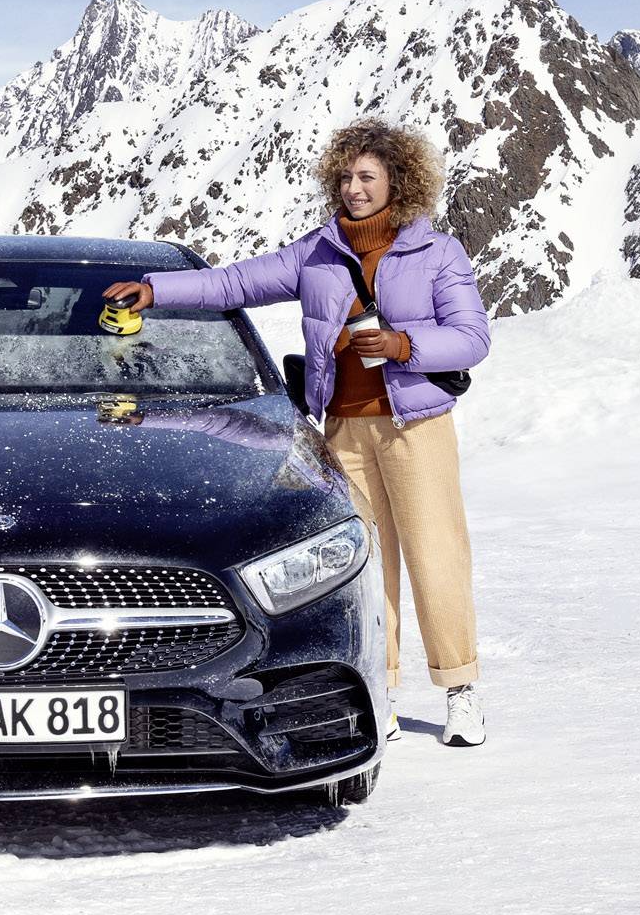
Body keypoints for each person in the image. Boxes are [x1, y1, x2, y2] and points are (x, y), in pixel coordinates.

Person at [105, 117, 493, 746]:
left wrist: (402, 344)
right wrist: (155, 288)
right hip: (341, 431)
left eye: (367, 176)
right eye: (345, 176)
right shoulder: (318, 252)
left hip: (415, 427)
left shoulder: (437, 253)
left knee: (435, 556)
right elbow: (235, 282)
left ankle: (461, 690)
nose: (354, 188)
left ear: (399, 180)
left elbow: (472, 338)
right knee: (363, 566)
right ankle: (381, 690)